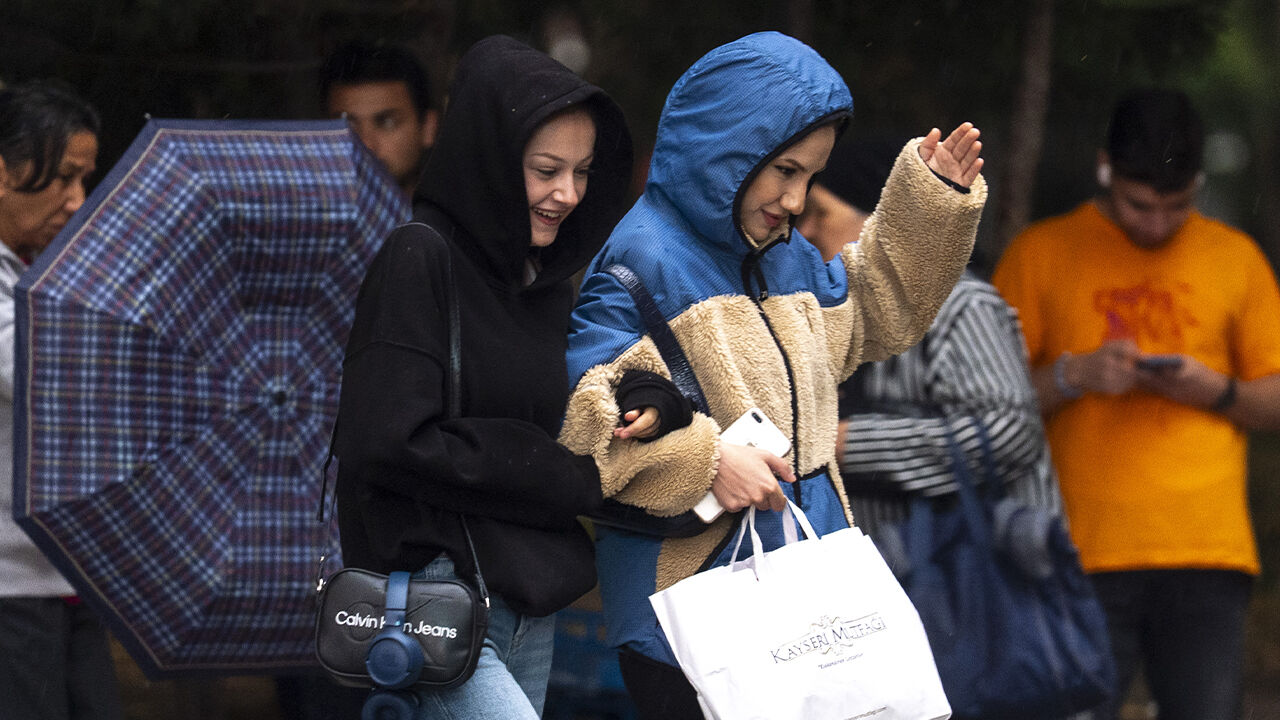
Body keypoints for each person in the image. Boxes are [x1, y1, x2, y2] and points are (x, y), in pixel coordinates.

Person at [560, 32, 986, 719]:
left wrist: (929, 202)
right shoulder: (640, 261)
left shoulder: (779, 255)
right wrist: (706, 462)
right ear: (723, 153)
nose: (796, 199)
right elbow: (590, 424)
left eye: (811, 177)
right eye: (785, 170)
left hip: (800, 595)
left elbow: (874, 313)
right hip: (695, 617)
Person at [334, 35, 632, 718]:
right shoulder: (419, 259)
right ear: (489, 159)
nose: (566, 193)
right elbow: (386, 438)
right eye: (545, 169)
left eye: (583, 172)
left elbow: (581, 395)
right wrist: (556, 473)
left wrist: (643, 405)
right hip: (437, 608)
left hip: (528, 601)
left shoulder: (543, 277)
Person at [993, 88, 1280, 720]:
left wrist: (1216, 390)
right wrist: (1073, 374)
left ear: (1199, 184)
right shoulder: (1041, 253)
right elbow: (986, 407)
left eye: (1176, 207)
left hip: (1209, 551)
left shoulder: (1237, 259)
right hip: (1079, 551)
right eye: (1138, 205)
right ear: (1105, 169)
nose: (1154, 225)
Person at [794, 136, 1062, 546]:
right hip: (892, 575)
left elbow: (1009, 432)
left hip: (977, 585)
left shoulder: (961, 305)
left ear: (877, 222)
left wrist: (848, 443)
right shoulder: (824, 306)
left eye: (819, 214)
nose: (804, 231)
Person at [0, 80, 123, 720]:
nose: (78, 201)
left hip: (64, 578)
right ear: (2, 172)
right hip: (9, 589)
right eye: (64, 178)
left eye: (86, 178)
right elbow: (41, 366)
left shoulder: (28, 273)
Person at [320, 40, 439, 196]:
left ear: (428, 128)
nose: (367, 145)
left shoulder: (463, 216)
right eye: (347, 125)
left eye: (387, 122)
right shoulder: (302, 217)